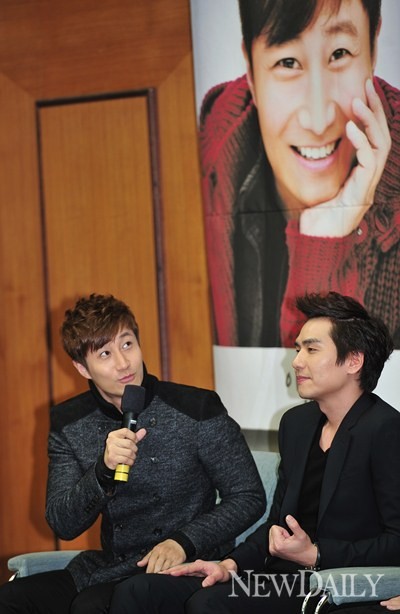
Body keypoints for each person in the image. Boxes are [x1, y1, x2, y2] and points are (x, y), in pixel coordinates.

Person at [108, 291, 400, 613]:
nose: (297, 361)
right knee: (139, 591)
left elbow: (397, 540)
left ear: (354, 361)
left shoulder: (386, 430)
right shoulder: (297, 424)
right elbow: (277, 523)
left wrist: (316, 554)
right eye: (298, 349)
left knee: (209, 604)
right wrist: (230, 565)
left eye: (312, 349)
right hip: (277, 577)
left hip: (336, 583)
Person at [0, 293, 265, 614]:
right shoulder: (69, 422)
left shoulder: (195, 408)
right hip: (111, 566)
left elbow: (248, 496)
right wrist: (102, 471)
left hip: (187, 564)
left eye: (127, 345)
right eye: (105, 353)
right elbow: (63, 524)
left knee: (91, 606)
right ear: (82, 367)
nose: (123, 363)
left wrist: (183, 541)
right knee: (12, 598)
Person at [200, 0, 400, 348]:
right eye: (288, 63)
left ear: (373, 49)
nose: (318, 120)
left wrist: (324, 243)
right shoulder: (213, 147)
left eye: (339, 54)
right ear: (251, 71)